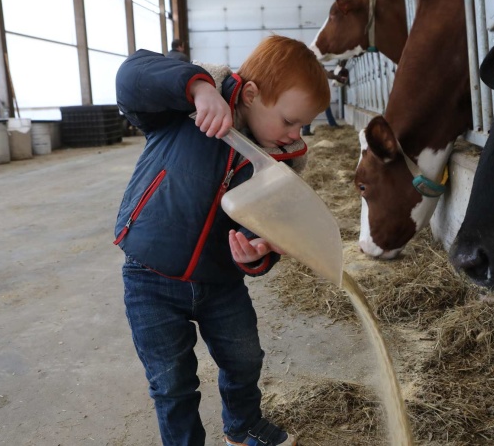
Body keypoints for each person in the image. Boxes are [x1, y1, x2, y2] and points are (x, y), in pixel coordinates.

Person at [114, 35, 330, 446]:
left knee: (245, 359)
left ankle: (243, 425)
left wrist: (257, 254)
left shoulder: (279, 166)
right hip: (150, 276)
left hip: (221, 283)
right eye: (288, 121)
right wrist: (197, 88)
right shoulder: (184, 107)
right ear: (250, 94)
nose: (295, 134)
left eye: (303, 125)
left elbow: (266, 229)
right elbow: (132, 75)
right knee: (171, 381)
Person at [300, 68, 347, 136]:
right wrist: (338, 77)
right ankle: (306, 129)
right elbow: (327, 74)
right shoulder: (315, 63)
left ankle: (305, 128)